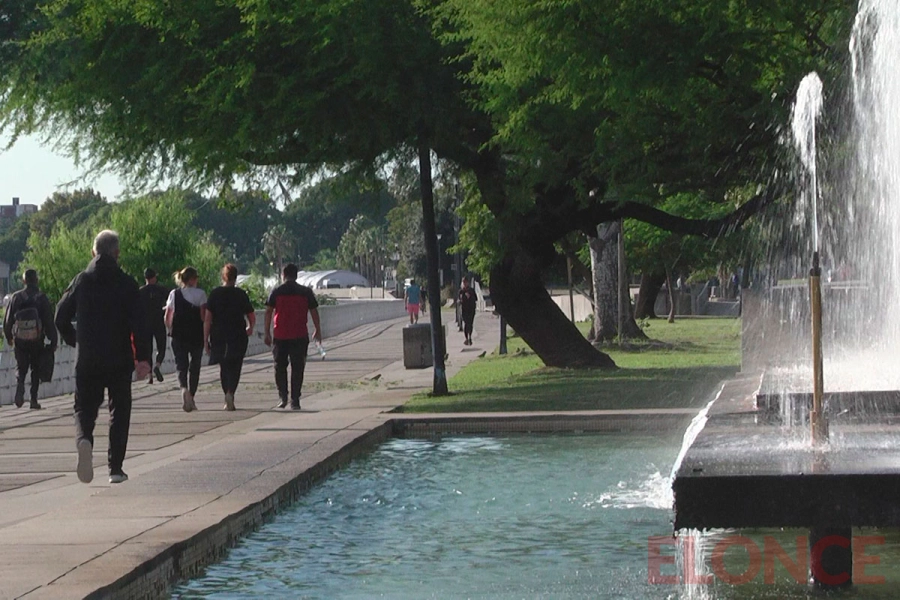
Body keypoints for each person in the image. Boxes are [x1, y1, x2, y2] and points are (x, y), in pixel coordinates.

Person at [55, 229, 151, 484]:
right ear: (117, 253)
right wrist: (143, 358)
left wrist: (75, 339)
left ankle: (84, 439)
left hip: (88, 357)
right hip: (119, 357)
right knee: (119, 410)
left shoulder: (82, 280)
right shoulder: (127, 283)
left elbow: (60, 316)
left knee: (84, 407)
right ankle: (115, 469)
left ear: (93, 252)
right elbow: (140, 323)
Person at [264, 263, 321, 410]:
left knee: (279, 367)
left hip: (280, 335)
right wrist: (317, 329)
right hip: (299, 335)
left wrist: (266, 332)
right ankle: (295, 400)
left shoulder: (276, 291)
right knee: (298, 368)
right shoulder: (306, 292)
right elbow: (314, 311)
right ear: (296, 275)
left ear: (283, 275)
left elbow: (268, 312)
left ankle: (283, 396)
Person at [204, 264, 255, 411]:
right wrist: (250, 327)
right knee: (235, 365)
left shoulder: (214, 294)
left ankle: (226, 393)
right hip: (237, 334)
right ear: (235, 277)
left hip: (219, 334)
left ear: (223, 276)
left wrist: (205, 340)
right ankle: (231, 392)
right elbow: (251, 315)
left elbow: (207, 319)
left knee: (224, 366)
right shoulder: (240, 294)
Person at [3, 269, 58, 409]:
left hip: (20, 340)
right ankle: (33, 399)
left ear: (24, 281)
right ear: (36, 280)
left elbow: (8, 320)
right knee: (35, 368)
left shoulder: (16, 297)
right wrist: (53, 340)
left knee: (21, 367)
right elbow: (48, 321)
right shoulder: (41, 298)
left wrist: (9, 336)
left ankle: (20, 386)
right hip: (36, 339)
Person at [165, 267, 207, 413]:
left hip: (178, 335)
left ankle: (183, 388)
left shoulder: (173, 294)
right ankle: (192, 396)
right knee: (195, 366)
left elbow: (168, 316)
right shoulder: (201, 294)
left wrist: (171, 329)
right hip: (196, 334)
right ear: (192, 279)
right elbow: (203, 317)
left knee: (180, 365)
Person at [139, 267, 168, 384]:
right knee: (161, 346)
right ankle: (158, 364)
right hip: (158, 322)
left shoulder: (140, 292)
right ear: (154, 278)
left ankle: (150, 376)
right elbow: (171, 301)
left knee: (148, 349)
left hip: (145, 323)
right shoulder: (161, 289)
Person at [458, 276, 478, 346]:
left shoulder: (471, 290)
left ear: (468, 283)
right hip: (464, 310)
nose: (464, 283)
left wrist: (470, 296)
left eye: (465, 282)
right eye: (463, 282)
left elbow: (476, 298)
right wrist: (461, 299)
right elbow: (459, 300)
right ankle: (467, 338)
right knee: (466, 323)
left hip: (471, 309)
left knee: (470, 323)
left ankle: (470, 336)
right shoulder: (461, 291)